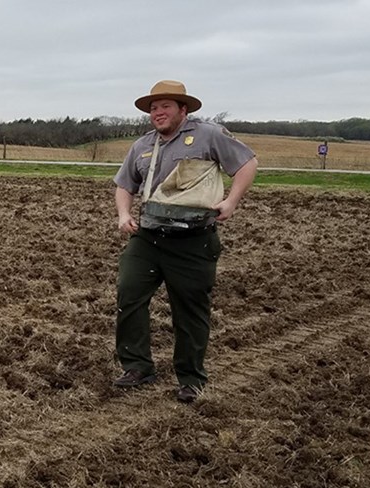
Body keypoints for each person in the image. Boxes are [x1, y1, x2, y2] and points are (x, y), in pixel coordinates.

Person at [112, 80, 258, 403]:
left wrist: (231, 202)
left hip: (193, 241)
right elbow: (125, 184)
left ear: (183, 109)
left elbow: (248, 164)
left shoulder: (209, 135)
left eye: (165, 106)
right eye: (153, 108)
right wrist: (124, 214)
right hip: (148, 237)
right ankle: (137, 366)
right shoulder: (142, 146)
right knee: (129, 292)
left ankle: (191, 378)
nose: (157, 113)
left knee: (190, 309)